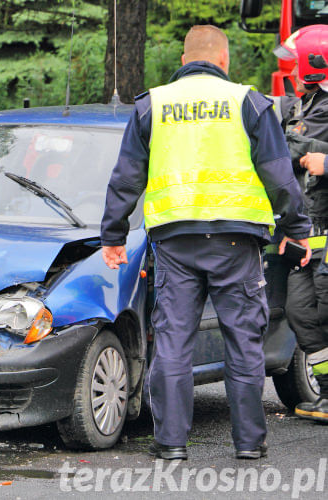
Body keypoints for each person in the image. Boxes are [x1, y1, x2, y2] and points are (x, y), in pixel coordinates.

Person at [100, 25, 312, 460]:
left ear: (184, 60)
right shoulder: (248, 102)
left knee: (174, 342)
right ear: (224, 60)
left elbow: (126, 177)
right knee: (242, 342)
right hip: (237, 242)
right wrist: (297, 229)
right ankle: (250, 444)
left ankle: (172, 444)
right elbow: (279, 175)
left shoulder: (152, 105)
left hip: (176, 242)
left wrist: (113, 236)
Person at [273, 25, 328, 423]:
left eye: (293, 63)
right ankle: (326, 394)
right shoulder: (305, 104)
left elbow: (289, 147)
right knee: (302, 313)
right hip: (309, 241)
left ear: (314, 65)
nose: (288, 71)